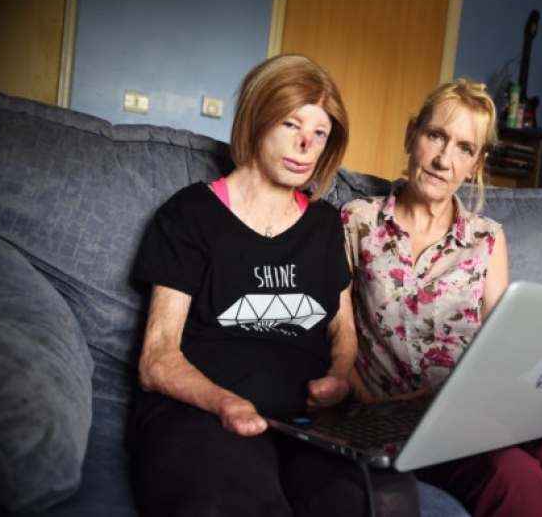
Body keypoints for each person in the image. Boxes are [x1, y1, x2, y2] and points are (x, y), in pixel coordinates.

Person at [127, 54, 417, 517]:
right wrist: (228, 404)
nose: (306, 144)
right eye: (290, 124)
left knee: (374, 500)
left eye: (319, 133)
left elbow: (342, 330)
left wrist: (340, 377)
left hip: (307, 422)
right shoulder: (189, 214)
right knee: (226, 502)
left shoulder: (325, 225)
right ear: (258, 119)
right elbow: (156, 358)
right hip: (202, 412)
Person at [342, 79, 542, 517]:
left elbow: (506, 348)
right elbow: (336, 331)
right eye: (436, 135)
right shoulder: (357, 221)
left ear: (476, 163)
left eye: (463, 148)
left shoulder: (487, 239)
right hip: (401, 417)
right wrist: (356, 397)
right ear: (411, 134)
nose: (443, 159)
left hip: (481, 403)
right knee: (511, 473)